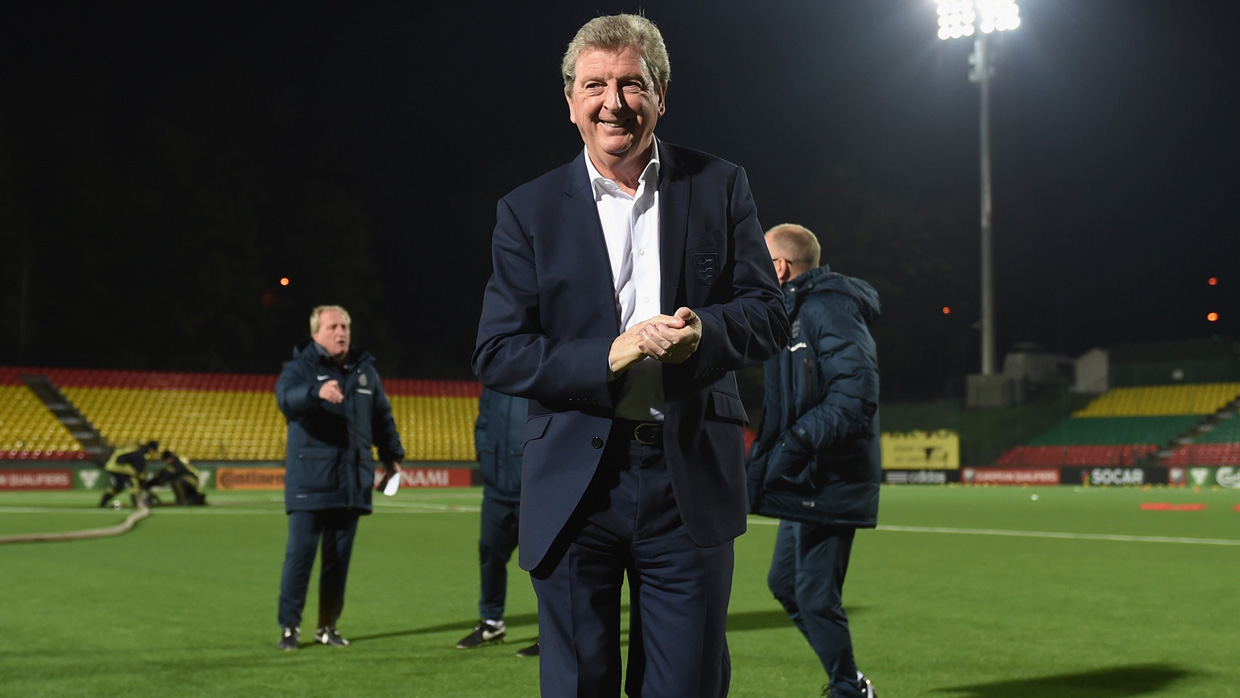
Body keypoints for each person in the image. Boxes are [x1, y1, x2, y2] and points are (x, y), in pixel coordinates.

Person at [472, 13, 789, 697]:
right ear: (570, 101)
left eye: (631, 85)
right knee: (578, 686)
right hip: (574, 487)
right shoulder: (526, 211)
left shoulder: (720, 184)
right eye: (595, 85)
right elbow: (498, 352)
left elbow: (768, 315)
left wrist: (704, 330)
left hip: (687, 483)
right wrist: (606, 355)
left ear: (662, 93)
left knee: (687, 687)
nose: (613, 102)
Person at [746, 223, 882, 698]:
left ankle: (849, 688)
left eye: (761, 258)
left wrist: (795, 445)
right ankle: (851, 680)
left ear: (780, 267)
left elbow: (855, 396)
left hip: (829, 475)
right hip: (805, 476)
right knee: (784, 582)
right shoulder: (791, 312)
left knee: (815, 595)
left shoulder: (828, 307)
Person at [274, 304, 403, 651]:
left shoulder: (365, 372)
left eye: (344, 326)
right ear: (316, 333)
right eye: (332, 327)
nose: (341, 332)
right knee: (299, 559)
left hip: (351, 482)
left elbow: (382, 418)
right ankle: (290, 627)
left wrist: (392, 456)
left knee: (338, 564)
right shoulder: (299, 369)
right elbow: (285, 400)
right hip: (310, 482)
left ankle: (327, 626)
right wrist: (316, 393)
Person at [455, 387, 539, 658]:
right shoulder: (495, 380)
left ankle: (551, 632)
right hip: (496, 489)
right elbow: (483, 422)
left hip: (535, 489)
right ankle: (492, 623)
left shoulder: (540, 374)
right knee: (489, 553)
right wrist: (486, 458)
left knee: (545, 565)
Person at [98, 440, 158, 508]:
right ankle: (135, 502)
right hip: (117, 466)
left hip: (112, 465)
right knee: (134, 481)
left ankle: (104, 501)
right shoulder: (140, 453)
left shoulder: (138, 449)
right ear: (151, 449)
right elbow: (138, 470)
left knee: (120, 486)